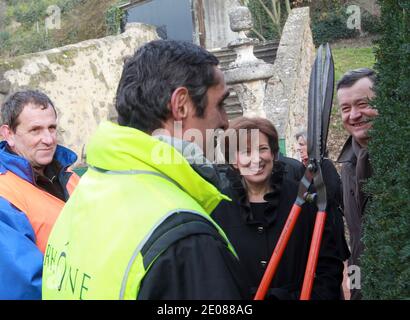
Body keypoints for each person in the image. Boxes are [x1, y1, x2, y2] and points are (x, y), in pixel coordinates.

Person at [42, 40, 250, 300]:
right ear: (181, 105)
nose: (225, 121)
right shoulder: (185, 239)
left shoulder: (86, 192)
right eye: (219, 105)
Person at [212, 116, 345, 300]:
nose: (256, 159)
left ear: (274, 154)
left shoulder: (304, 200)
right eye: (246, 151)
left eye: (263, 149)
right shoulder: (218, 207)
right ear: (234, 161)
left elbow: (329, 265)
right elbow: (214, 273)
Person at [0, 90, 79, 299]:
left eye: (52, 128)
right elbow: (27, 286)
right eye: (35, 130)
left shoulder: (70, 176)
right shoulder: (4, 195)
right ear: (8, 134)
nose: (48, 139)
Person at [336, 68, 378, 300]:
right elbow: (356, 241)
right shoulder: (347, 165)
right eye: (345, 108)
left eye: (362, 104)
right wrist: (355, 291)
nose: (353, 115)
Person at [295, 130, 350, 297]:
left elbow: (330, 194)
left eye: (302, 144)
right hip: (316, 226)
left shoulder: (325, 165)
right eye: (299, 145)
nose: (299, 149)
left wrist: (306, 196)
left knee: (331, 269)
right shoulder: (304, 169)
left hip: (329, 225)